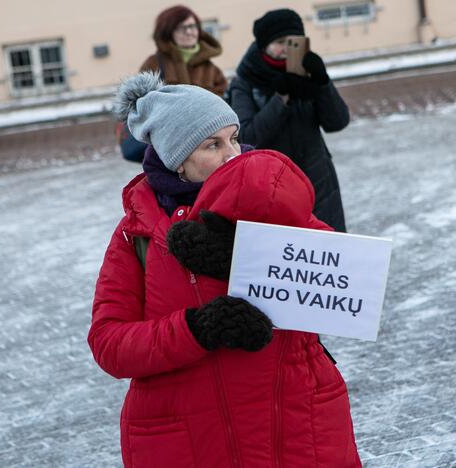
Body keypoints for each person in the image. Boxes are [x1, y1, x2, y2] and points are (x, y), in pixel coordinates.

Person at [88, 71, 361, 467]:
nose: (232, 154)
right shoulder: (138, 234)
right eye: (212, 145)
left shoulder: (270, 202)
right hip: (197, 439)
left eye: (233, 138)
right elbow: (110, 344)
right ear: (174, 158)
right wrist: (197, 329)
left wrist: (246, 254)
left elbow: (342, 281)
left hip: (295, 426)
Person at [228, 8, 350, 232]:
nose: (287, 48)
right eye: (280, 41)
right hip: (272, 188)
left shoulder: (307, 72)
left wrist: (322, 83)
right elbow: (247, 137)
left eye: (294, 41)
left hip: (319, 181)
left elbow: (338, 122)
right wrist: (281, 98)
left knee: (328, 254)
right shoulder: (245, 81)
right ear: (265, 44)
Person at [140, 4, 227, 96]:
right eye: (181, 28)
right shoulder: (153, 63)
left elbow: (223, 103)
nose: (189, 32)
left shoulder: (211, 69)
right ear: (168, 32)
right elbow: (140, 102)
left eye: (192, 26)